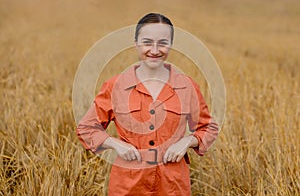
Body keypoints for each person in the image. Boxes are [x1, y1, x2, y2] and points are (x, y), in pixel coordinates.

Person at [76, 13, 219, 196]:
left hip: (173, 186)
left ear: (171, 44)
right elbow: (86, 128)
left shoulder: (187, 86)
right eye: (147, 42)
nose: (154, 49)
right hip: (127, 186)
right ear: (135, 43)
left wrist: (187, 141)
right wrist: (114, 144)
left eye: (163, 43)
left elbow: (208, 127)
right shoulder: (115, 86)